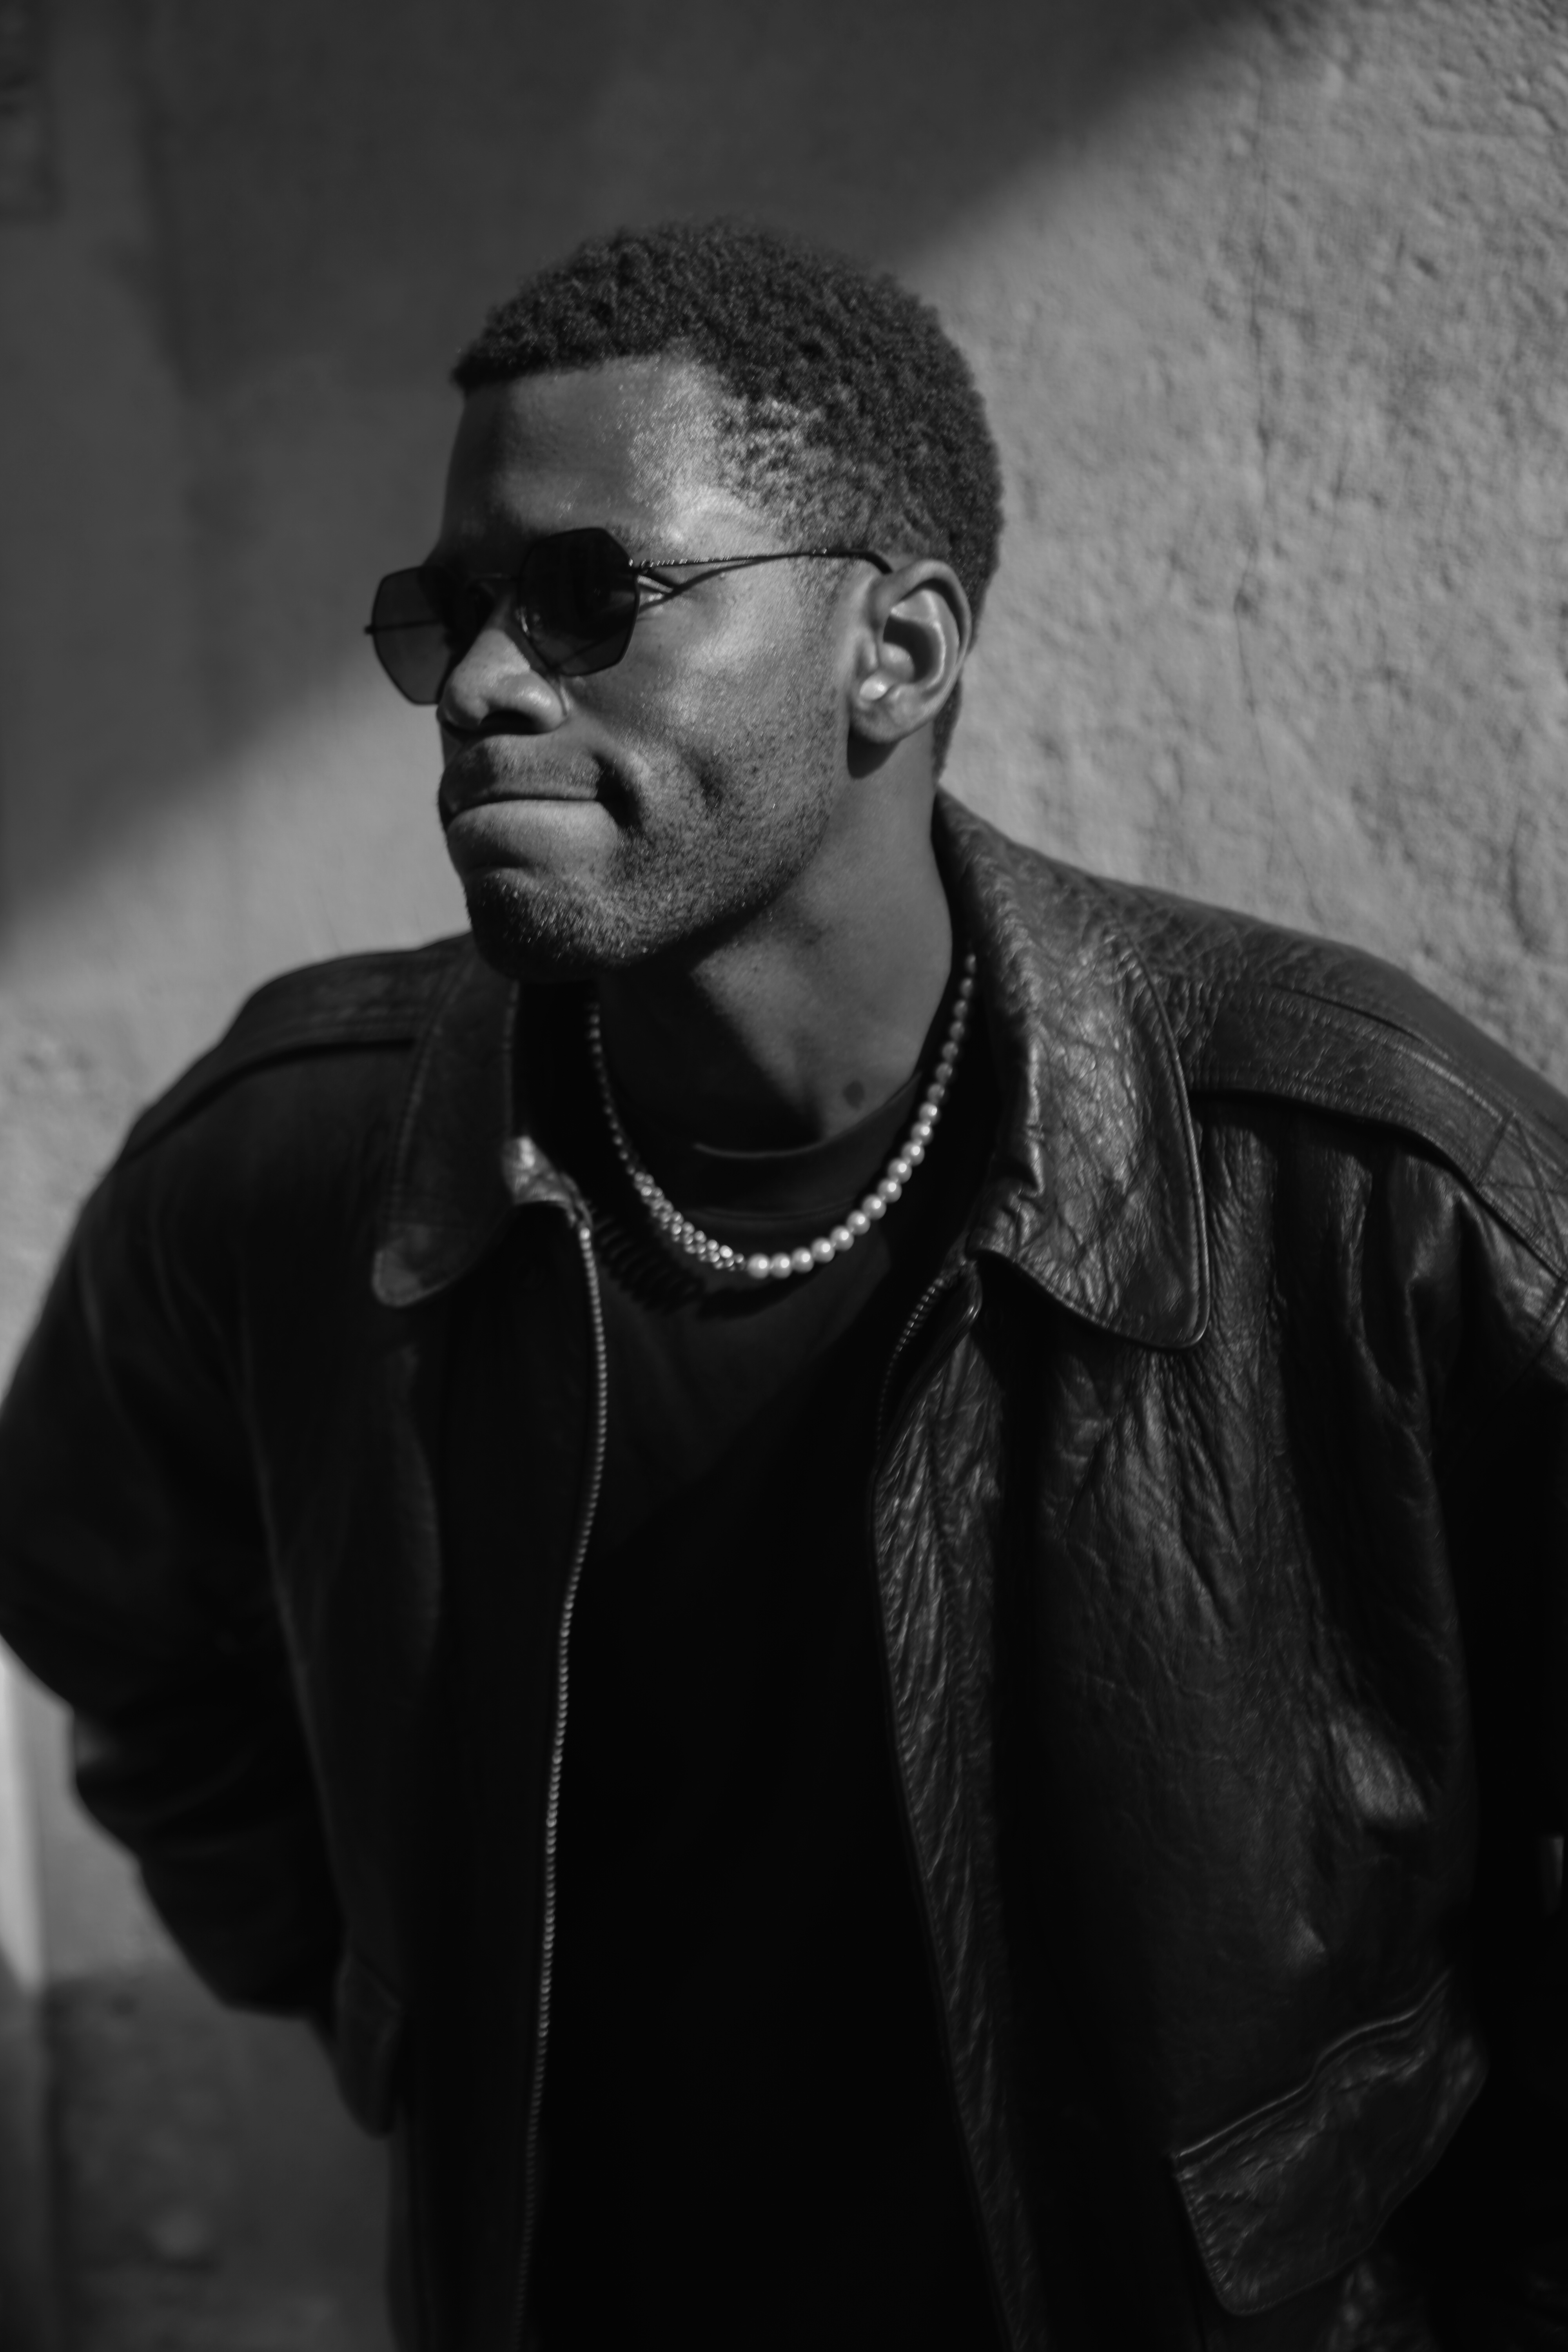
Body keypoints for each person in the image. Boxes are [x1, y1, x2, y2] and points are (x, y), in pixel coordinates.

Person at [1, 217, 1566, 2352]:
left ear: (897, 658)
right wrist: (387, 2005)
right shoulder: (289, 1167)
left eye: (585, 596)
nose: (479, 684)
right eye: (449, 611)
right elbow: (105, 1612)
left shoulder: (1364, 1188)